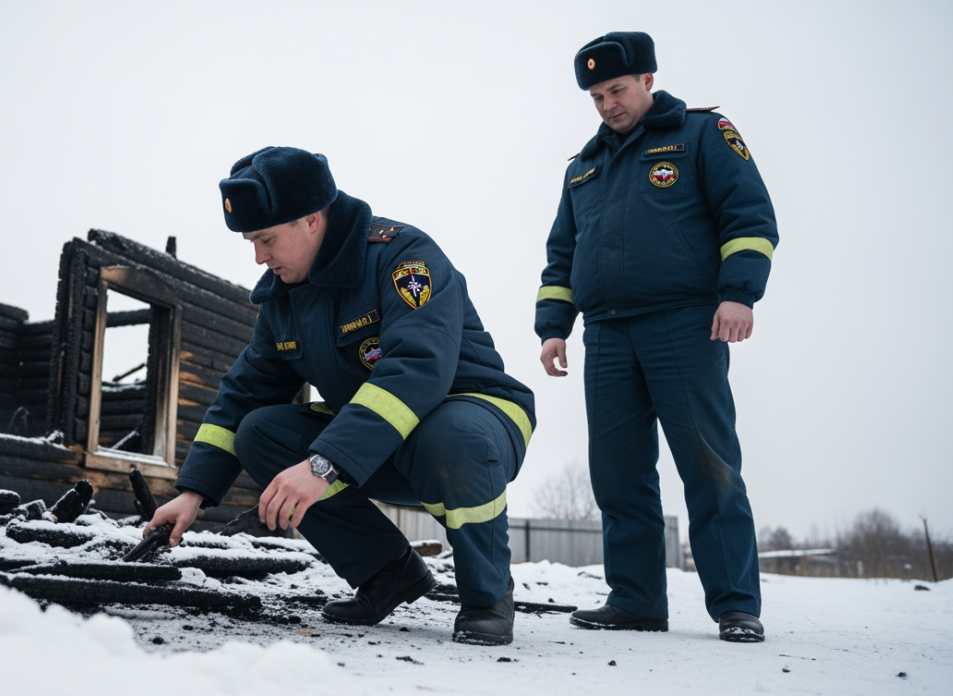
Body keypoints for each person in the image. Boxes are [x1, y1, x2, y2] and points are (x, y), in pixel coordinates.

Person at [146, 146, 536, 646]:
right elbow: (243, 394)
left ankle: (487, 594)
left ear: (312, 219)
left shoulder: (403, 257)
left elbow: (417, 369)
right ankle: (388, 572)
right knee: (259, 432)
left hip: (476, 423)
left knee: (448, 435)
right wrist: (192, 493)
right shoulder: (283, 301)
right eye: (251, 242)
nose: (259, 257)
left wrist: (323, 465)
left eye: (266, 239)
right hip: (382, 445)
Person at [534, 32, 777, 643]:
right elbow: (562, 254)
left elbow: (749, 215)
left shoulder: (702, 133)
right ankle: (636, 600)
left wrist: (738, 293)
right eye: (596, 96)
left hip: (685, 323)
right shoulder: (583, 166)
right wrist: (553, 328)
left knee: (710, 465)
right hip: (606, 335)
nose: (607, 105)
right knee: (618, 474)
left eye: (616, 90)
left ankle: (736, 605)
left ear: (647, 79)